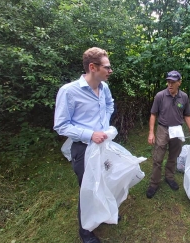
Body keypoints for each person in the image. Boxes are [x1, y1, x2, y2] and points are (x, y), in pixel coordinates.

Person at [54, 47, 114, 243]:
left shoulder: (104, 87)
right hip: (83, 149)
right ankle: (86, 231)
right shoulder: (69, 91)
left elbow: (109, 104)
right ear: (92, 67)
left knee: (104, 181)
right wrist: (90, 134)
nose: (110, 71)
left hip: (104, 146)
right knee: (88, 188)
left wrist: (104, 128)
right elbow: (61, 125)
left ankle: (104, 215)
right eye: (107, 67)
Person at [146, 70, 190, 199]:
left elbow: (187, 115)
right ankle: (154, 183)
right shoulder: (160, 96)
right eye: (168, 82)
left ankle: (169, 177)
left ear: (179, 83)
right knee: (158, 158)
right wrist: (151, 132)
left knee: (173, 156)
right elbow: (153, 114)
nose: (170, 85)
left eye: (173, 82)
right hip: (163, 129)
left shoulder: (184, 97)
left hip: (177, 130)